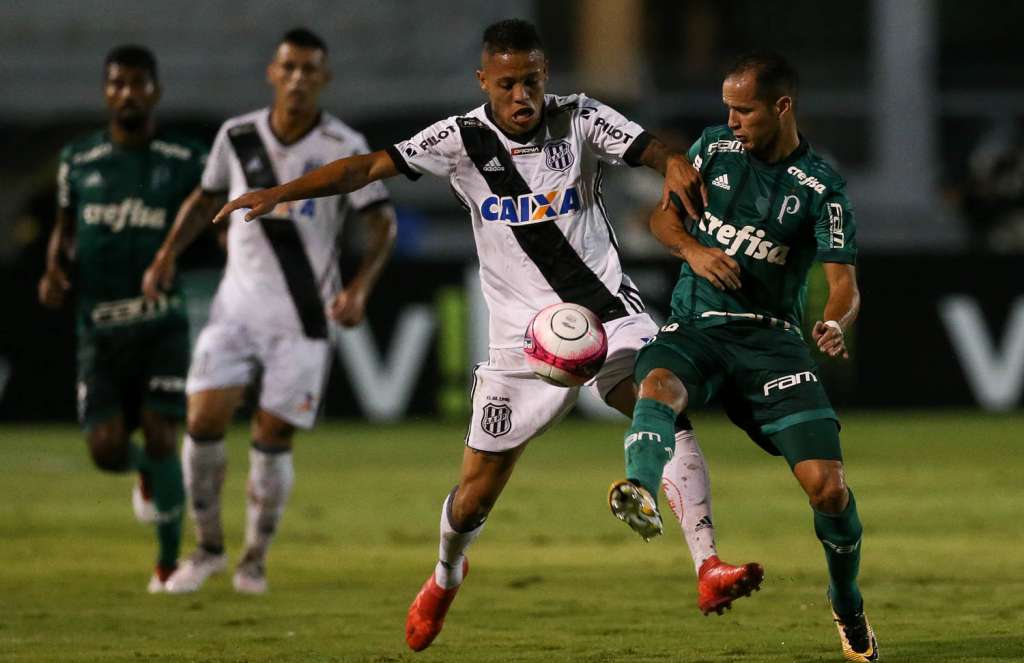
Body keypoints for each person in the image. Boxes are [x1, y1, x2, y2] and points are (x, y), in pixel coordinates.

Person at [213, 18, 762, 649]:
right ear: (484, 82)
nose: (522, 96)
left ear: (545, 75)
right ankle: (446, 574)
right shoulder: (458, 140)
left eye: (531, 81)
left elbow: (650, 149)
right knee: (474, 499)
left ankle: (708, 566)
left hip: (608, 314)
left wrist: (671, 163)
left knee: (661, 398)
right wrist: (279, 192)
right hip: (518, 346)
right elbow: (364, 168)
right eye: (507, 84)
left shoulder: (581, 119)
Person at [610, 52, 878, 661]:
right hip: (698, 326)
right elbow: (661, 219)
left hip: (771, 343)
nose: (729, 120)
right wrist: (693, 252)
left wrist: (835, 320)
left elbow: (844, 283)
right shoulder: (712, 150)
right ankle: (641, 490)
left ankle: (847, 603)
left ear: (781, 107)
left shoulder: (821, 189)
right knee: (656, 386)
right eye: (726, 107)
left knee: (828, 489)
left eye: (743, 109)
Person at [141, 28, 397, 594]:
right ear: (272, 73)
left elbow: (381, 220)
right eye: (290, 68)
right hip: (235, 310)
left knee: (272, 436)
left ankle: (253, 559)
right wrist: (165, 256)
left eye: (310, 69)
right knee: (202, 420)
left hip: (303, 319)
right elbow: (205, 200)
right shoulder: (237, 137)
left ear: (324, 78)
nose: (299, 78)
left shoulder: (341, 142)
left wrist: (359, 288)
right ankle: (207, 548)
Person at [38, 45, 205, 592]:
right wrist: (54, 268)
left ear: (155, 90)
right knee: (106, 449)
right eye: (117, 84)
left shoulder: (183, 159)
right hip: (99, 327)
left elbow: (210, 210)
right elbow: (65, 227)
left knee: (162, 433)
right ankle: (144, 473)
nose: (127, 93)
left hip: (161, 322)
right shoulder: (78, 160)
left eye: (138, 83)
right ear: (106, 91)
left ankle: (166, 562)